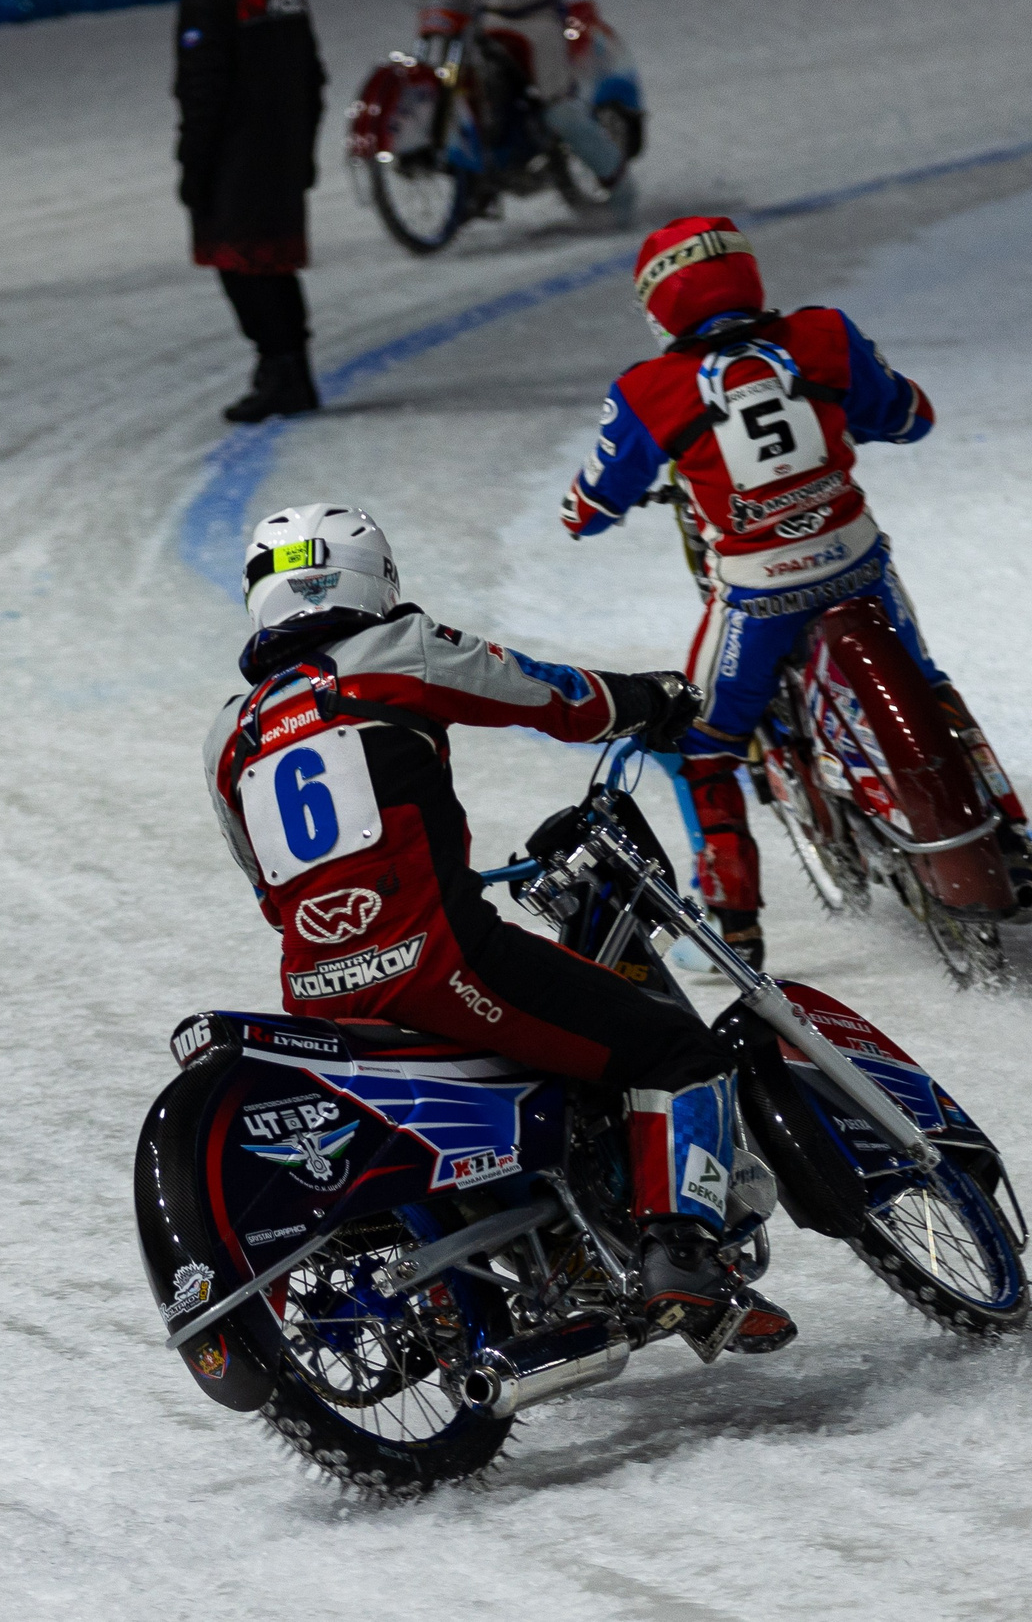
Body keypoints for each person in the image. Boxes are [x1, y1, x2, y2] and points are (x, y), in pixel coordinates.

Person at [204, 502, 792, 1353]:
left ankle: (559, 1248)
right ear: (375, 579)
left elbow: (268, 882)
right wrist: (649, 699)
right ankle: (681, 1257)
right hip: (441, 962)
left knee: (533, 1072)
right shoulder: (391, 652)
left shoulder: (230, 730)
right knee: (675, 1051)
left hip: (320, 995)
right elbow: (544, 693)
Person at [559, 218, 1032, 968]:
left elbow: (597, 498)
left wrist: (579, 512)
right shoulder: (821, 334)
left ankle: (735, 928)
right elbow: (905, 414)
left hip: (760, 595)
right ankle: (1006, 826)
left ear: (663, 302)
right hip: (857, 563)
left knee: (704, 743)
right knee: (928, 680)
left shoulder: (650, 388)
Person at [371, 0, 636, 220]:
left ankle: (621, 191)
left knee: (562, 112)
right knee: (470, 84)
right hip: (488, 12)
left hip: (537, 14)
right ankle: (480, 175)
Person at [175, 0, 328, 423]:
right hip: (282, 145)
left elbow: (203, 90)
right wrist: (303, 148)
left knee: (243, 267)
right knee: (273, 265)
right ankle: (292, 370)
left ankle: (278, 370)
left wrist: (193, 165)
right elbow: (312, 74)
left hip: (235, 154)